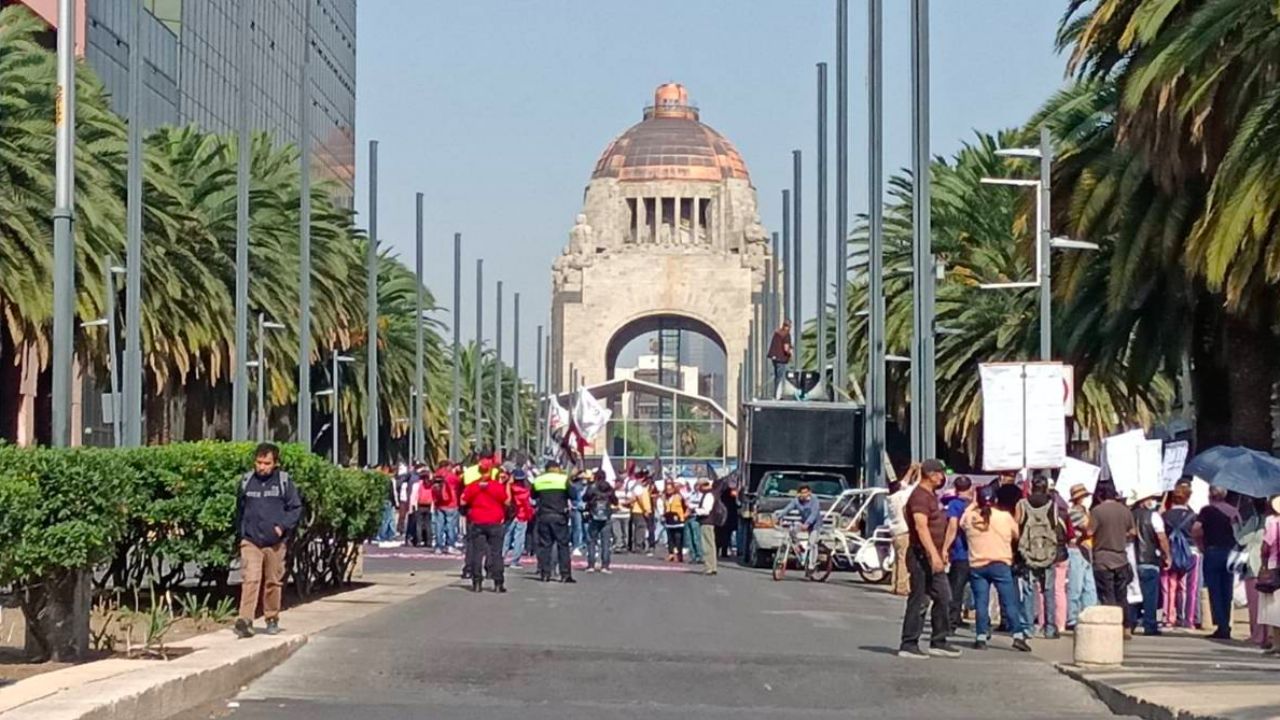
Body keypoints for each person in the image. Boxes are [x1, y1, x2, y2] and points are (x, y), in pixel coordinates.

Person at [233, 443, 303, 638]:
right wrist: (241, 532)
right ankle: (245, 620)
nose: (262, 467)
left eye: (267, 463)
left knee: (273, 581)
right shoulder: (247, 481)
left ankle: (271, 617)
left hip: (275, 543)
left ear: (275, 463)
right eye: (259, 462)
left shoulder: (283, 482)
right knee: (251, 579)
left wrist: (282, 527)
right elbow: (240, 509)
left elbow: (295, 508)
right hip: (251, 541)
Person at [898, 459, 961, 659]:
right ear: (931, 474)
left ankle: (939, 640)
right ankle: (909, 643)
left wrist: (942, 551)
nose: (943, 478)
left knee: (944, 597)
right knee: (920, 600)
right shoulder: (919, 496)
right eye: (940, 473)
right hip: (921, 556)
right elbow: (921, 526)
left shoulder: (931, 496)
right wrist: (933, 554)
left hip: (934, 554)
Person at [961, 491, 1032, 652]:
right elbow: (1017, 535)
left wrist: (973, 505)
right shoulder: (1004, 517)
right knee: (1009, 602)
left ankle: (981, 636)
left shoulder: (970, 517)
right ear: (995, 500)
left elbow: (961, 522)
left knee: (981, 602)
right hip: (1000, 563)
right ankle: (1017, 636)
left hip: (978, 564)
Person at [1017, 476, 1067, 639]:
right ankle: (1050, 628)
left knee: (1029, 590)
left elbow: (1018, 526)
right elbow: (1054, 526)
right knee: (1049, 590)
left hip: (1028, 552)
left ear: (1032, 487)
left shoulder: (1022, 504)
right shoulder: (1052, 505)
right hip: (1047, 552)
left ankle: (1028, 627)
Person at [1195, 485, 1241, 639]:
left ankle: (1221, 625)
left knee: (1214, 589)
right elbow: (1239, 532)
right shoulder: (1233, 511)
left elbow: (1196, 528)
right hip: (1230, 552)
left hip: (1213, 551)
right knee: (1227, 589)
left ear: (1210, 495)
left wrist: (1200, 545)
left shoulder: (1206, 510)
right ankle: (1226, 624)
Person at [1090, 483, 1137, 633]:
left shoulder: (1097, 511)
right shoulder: (1125, 510)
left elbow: (1090, 531)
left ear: (1100, 496)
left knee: (1107, 594)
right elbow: (1133, 532)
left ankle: (1111, 627)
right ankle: (1126, 626)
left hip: (1102, 558)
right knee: (1122, 595)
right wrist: (1121, 535)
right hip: (1121, 558)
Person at [459, 467, 509, 593]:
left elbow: (463, 501)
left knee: (477, 553)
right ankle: (498, 583)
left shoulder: (473, 486)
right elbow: (507, 501)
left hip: (477, 521)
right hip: (495, 521)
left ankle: (477, 582)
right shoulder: (496, 486)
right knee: (496, 553)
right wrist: (507, 485)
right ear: (490, 472)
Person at [1131, 490, 1171, 635]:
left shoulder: (1130, 515)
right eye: (1150, 498)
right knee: (1150, 595)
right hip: (1149, 559)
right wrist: (1167, 555)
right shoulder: (1153, 516)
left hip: (1132, 559)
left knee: (1133, 593)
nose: (1152, 501)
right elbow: (1161, 537)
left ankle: (1131, 623)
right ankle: (1150, 624)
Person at [1161, 482, 1200, 630]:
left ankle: (1168, 617)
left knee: (1169, 585)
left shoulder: (1165, 515)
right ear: (1188, 498)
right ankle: (1187, 618)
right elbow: (1198, 533)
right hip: (1191, 552)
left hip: (1171, 552)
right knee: (1190, 586)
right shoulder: (1193, 516)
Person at [533, 459, 575, 583]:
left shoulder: (538, 480)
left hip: (544, 516)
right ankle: (565, 574)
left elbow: (533, 495)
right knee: (563, 545)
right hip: (559, 516)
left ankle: (545, 574)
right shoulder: (563, 479)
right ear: (556, 468)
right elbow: (573, 495)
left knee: (545, 546)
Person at [942, 476, 975, 629]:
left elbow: (952, 527)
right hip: (977, 552)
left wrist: (945, 547)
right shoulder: (975, 505)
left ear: (956, 489)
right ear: (970, 487)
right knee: (977, 588)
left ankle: (952, 619)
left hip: (960, 552)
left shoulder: (954, 504)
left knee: (956, 587)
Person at [1065, 483, 1098, 629]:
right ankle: (1072, 618)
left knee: (1089, 585)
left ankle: (1089, 614)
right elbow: (1087, 527)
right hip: (1076, 550)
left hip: (1086, 549)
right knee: (1076, 585)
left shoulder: (1084, 510)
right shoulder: (1074, 512)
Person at [775, 484, 824, 576]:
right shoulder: (796, 501)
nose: (803, 495)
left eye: (805, 492)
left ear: (809, 493)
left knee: (812, 543)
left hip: (815, 524)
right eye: (802, 493)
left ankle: (811, 566)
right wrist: (779, 517)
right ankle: (799, 547)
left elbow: (814, 513)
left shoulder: (814, 500)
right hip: (803, 521)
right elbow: (788, 508)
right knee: (792, 530)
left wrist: (807, 524)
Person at [887, 468, 918, 597]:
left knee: (897, 560)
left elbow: (904, 483)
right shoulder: (901, 497)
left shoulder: (891, 498)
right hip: (904, 531)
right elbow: (914, 487)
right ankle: (902, 586)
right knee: (904, 560)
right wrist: (920, 473)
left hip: (895, 532)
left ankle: (894, 584)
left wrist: (911, 470)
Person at [1257, 495, 1280, 655]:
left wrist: (1263, 564)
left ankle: (1277, 644)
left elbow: (1266, 547)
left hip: (1274, 566)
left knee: (1274, 609)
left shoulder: (1273, 522)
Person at [583, 470, 617, 573]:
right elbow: (615, 501)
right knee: (605, 542)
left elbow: (584, 498)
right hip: (606, 516)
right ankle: (605, 566)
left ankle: (591, 565)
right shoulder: (609, 488)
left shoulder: (592, 487)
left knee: (591, 541)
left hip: (593, 516)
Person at [503, 469, 534, 568]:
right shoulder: (526, 490)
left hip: (511, 515)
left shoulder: (510, 488)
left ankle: (501, 556)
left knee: (506, 536)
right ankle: (515, 560)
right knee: (519, 539)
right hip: (522, 515)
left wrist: (508, 483)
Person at [694, 478, 721, 575]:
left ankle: (709, 567)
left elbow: (706, 510)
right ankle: (712, 567)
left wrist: (695, 510)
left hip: (707, 522)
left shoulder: (708, 495)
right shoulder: (712, 493)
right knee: (711, 545)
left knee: (707, 545)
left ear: (702, 485)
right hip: (710, 522)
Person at [431, 465, 460, 554]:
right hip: (451, 503)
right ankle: (450, 545)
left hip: (439, 504)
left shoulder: (436, 475)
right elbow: (459, 485)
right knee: (450, 526)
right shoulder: (452, 477)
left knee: (439, 526)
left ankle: (438, 546)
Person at [662, 481, 688, 562]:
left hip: (678, 521)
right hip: (669, 520)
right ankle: (671, 554)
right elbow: (665, 507)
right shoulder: (665, 498)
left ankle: (679, 555)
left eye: (670, 489)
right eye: (667, 489)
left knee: (678, 539)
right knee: (670, 539)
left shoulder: (679, 497)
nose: (668, 491)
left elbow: (686, 506)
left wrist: (684, 515)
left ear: (674, 489)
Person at [766, 319, 793, 394]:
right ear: (789, 326)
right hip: (781, 359)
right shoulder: (786, 334)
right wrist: (790, 353)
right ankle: (777, 393)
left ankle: (775, 393)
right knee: (780, 377)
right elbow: (786, 348)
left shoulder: (777, 333)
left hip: (774, 358)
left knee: (776, 376)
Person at [411, 465, 434, 549]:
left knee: (419, 524)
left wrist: (413, 506)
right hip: (429, 505)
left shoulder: (417, 484)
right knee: (428, 524)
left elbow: (414, 496)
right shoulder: (431, 485)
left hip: (420, 505)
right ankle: (429, 541)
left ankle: (419, 541)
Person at [685, 479, 705, 564]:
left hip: (696, 517)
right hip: (688, 517)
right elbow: (686, 502)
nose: (696, 487)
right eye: (696, 485)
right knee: (689, 538)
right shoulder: (691, 495)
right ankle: (692, 556)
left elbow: (699, 506)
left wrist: (691, 505)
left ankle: (700, 556)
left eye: (698, 485)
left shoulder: (702, 495)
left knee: (696, 537)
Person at [570, 473, 587, 557]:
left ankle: (583, 544)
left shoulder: (586, 487)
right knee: (577, 528)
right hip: (576, 509)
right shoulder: (575, 487)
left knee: (585, 528)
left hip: (585, 508)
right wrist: (579, 505)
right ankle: (576, 546)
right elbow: (573, 499)